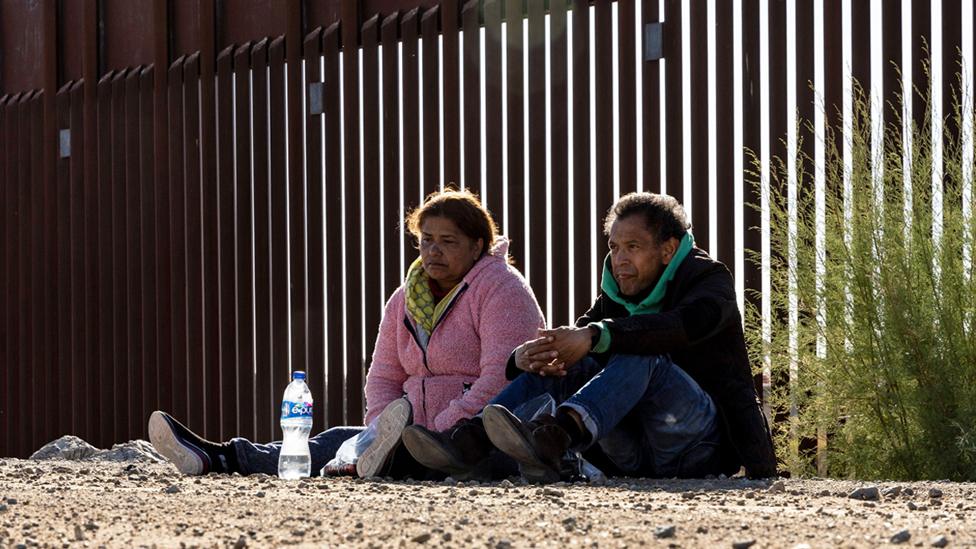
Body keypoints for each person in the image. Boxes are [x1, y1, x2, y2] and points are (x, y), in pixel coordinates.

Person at [148, 189, 545, 478]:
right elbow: (384, 376)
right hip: (411, 433)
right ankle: (216, 457)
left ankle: (379, 461)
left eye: (447, 242)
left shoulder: (502, 289)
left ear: (478, 246)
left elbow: (501, 379)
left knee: (353, 448)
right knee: (335, 437)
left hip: (471, 440)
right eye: (425, 241)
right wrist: (379, 429)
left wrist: (439, 430)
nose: (432, 252)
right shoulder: (408, 296)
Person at [402, 192, 777, 482]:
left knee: (640, 352)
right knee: (569, 361)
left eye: (633, 247)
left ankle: (557, 436)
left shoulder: (709, 283)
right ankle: (471, 441)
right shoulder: (616, 294)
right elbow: (583, 340)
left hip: (698, 446)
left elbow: (678, 328)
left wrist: (595, 336)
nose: (620, 259)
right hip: (635, 454)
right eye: (614, 247)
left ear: (668, 250)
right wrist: (525, 358)